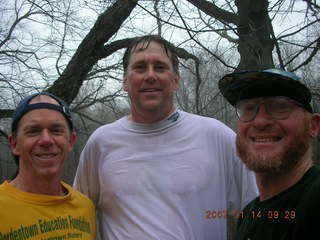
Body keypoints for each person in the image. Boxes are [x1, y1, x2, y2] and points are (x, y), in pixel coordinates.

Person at [73, 35, 257, 240]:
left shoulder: (217, 137)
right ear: (125, 81)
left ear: (176, 80)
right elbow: (77, 219)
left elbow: (258, 214)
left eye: (160, 67)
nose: (150, 75)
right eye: (140, 67)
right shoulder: (101, 143)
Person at [219, 69, 320, 240]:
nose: (259, 121)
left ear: (313, 126)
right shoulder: (249, 215)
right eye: (249, 108)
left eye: (280, 106)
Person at [0, 92, 96, 240]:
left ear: (71, 141)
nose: (46, 140)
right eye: (33, 131)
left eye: (56, 131)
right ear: (14, 144)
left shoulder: (85, 208)